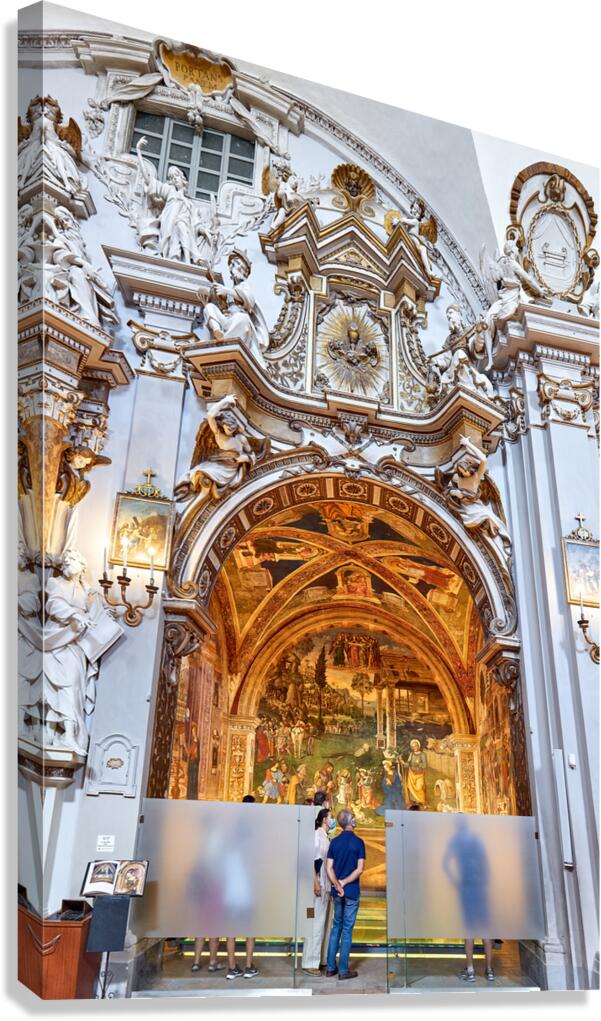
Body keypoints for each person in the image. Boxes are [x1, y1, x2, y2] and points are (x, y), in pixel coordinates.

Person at [325, 809, 366, 981]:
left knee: (336, 927)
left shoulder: (334, 842)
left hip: (337, 892)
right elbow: (360, 869)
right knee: (347, 930)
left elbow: (329, 868)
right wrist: (344, 882)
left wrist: (337, 884)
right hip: (351, 891)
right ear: (351, 822)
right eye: (354, 818)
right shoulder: (359, 843)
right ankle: (343, 970)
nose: (355, 820)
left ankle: (330, 967)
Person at [226, 794, 258, 980]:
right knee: (250, 929)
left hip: (230, 891)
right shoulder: (252, 838)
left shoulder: (231, 838)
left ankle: (232, 968)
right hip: (246, 891)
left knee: (231, 930)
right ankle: (248, 966)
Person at [302, 808, 333, 975]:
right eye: (330, 817)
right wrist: (315, 883)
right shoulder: (316, 835)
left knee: (323, 925)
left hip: (325, 887)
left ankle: (320, 959)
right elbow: (310, 860)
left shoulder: (325, 837)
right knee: (314, 924)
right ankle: (310, 962)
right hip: (317, 887)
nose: (332, 820)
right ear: (324, 819)